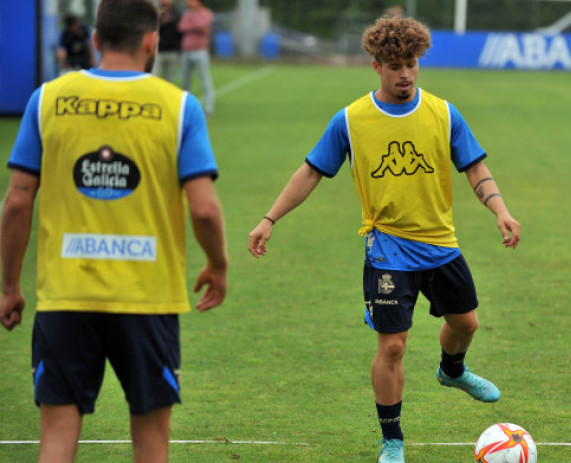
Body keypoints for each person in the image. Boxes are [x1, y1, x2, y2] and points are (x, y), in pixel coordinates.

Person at [248, 16, 520, 463]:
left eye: (411, 63)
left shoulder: (444, 113)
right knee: (393, 344)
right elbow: (312, 171)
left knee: (466, 324)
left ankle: (452, 370)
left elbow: (474, 166)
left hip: (440, 245)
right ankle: (392, 440)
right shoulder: (351, 120)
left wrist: (501, 210)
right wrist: (269, 218)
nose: (405, 74)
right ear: (376, 66)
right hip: (387, 250)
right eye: (395, 65)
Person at [0, 1, 227, 462]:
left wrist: (8, 286)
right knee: (151, 443)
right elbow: (204, 210)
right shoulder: (179, 107)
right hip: (147, 300)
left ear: (97, 40)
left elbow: (18, 201)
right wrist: (218, 265)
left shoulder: (46, 100)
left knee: (57, 440)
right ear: (151, 41)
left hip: (65, 296)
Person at [178, 0, 215, 116]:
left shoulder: (206, 13)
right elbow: (181, 27)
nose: (189, 3)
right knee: (186, 82)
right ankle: (186, 108)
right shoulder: (187, 13)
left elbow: (204, 29)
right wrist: (195, 24)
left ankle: (208, 109)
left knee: (205, 80)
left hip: (200, 51)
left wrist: (194, 18)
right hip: (186, 52)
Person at [153, 0, 182, 83]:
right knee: (154, 76)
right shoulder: (156, 11)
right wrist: (162, 22)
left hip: (172, 50)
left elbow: (180, 30)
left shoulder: (176, 12)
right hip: (158, 50)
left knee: (169, 79)